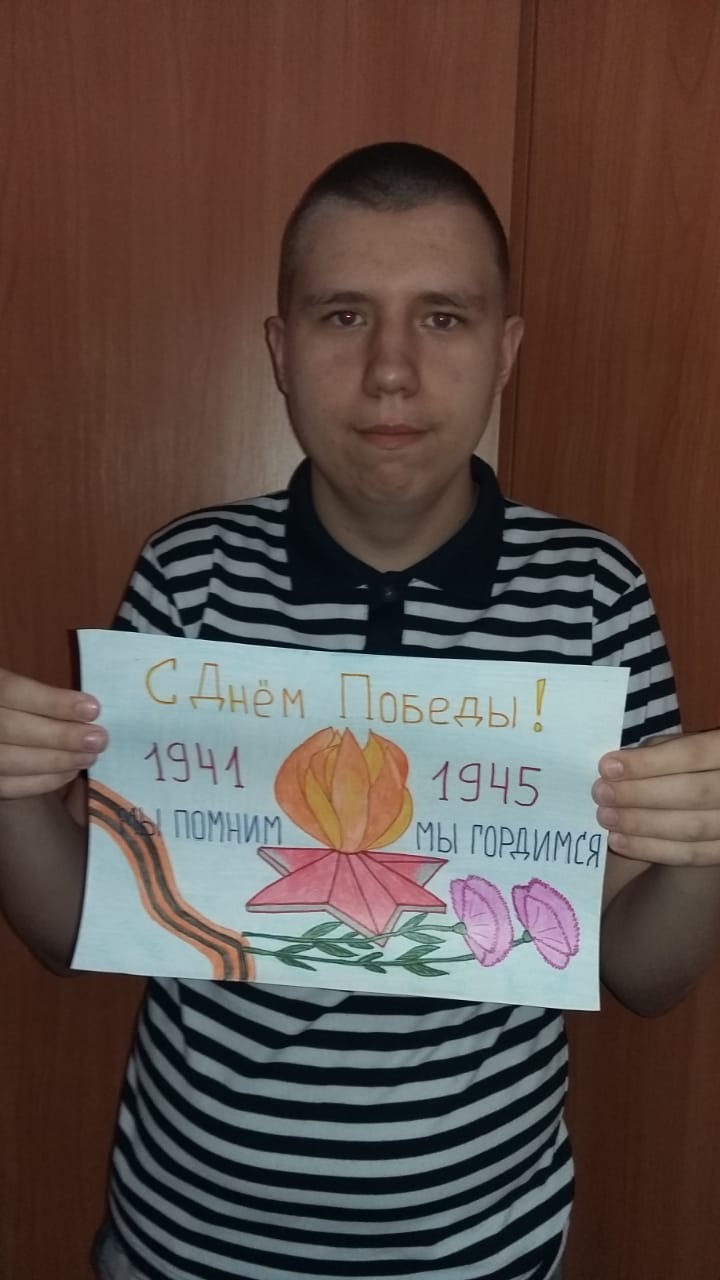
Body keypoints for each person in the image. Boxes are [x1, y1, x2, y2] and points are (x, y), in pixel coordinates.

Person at [1, 142, 720, 1280]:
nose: (391, 371)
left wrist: (706, 850)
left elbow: (644, 969)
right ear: (280, 351)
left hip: (479, 1247)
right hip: (188, 1237)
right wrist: (10, 794)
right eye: (344, 316)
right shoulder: (190, 577)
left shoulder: (593, 592)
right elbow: (74, 926)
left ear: (505, 352)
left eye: (443, 317)